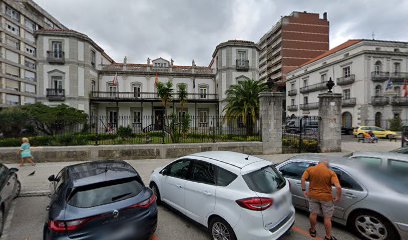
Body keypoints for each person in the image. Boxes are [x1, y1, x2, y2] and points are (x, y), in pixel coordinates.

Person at [301, 160, 342, 240]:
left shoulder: (310, 169)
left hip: (313, 196)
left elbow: (303, 179)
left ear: (318, 163)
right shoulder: (331, 173)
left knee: (313, 214)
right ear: (327, 165)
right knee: (327, 218)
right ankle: (328, 237)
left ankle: (312, 231)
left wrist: (304, 190)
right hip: (326, 198)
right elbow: (338, 187)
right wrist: (338, 197)